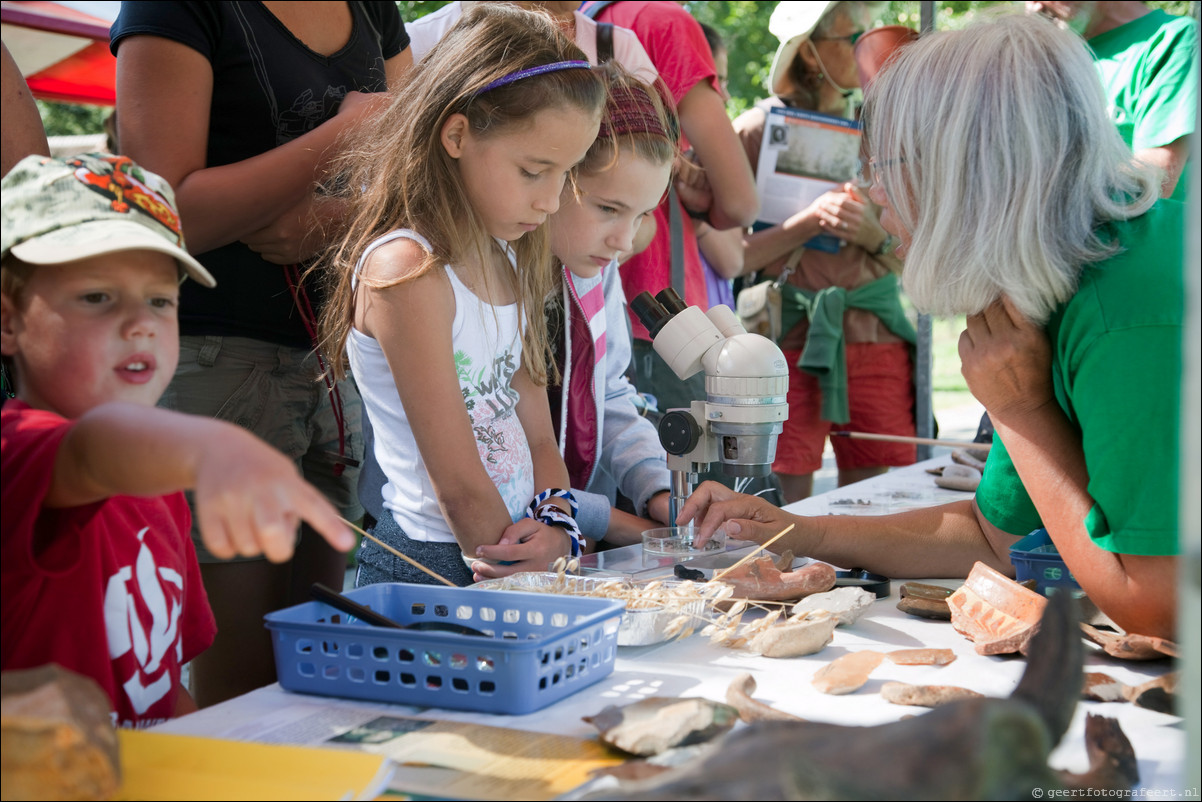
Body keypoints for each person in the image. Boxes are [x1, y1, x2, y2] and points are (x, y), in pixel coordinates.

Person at [680, 13, 1181, 641]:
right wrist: (796, 532)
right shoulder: (1058, 282)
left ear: (966, 168)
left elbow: (1156, 605)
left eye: (887, 161)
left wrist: (1021, 411)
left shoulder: (1128, 307)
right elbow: (989, 536)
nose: (872, 189)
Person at [109, 0, 409, 706]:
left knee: (317, 671)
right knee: (241, 689)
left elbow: (420, 170)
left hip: (335, 366)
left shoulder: (372, 8)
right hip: (218, 365)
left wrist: (333, 221)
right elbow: (165, 210)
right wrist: (340, 137)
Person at [0, 154, 355, 727]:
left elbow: (159, 687)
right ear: (8, 320)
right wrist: (211, 448)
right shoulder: (18, 452)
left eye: (160, 300)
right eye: (97, 296)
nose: (140, 322)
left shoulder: (163, 488)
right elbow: (92, 449)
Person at [318, 4, 605, 586]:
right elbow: (458, 486)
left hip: (513, 547)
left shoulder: (511, 255)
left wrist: (558, 521)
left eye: (566, 175)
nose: (552, 201)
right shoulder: (406, 272)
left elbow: (539, 431)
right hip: (438, 566)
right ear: (456, 134)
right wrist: (531, 579)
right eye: (533, 170)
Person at [732, 1, 916, 504]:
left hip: (875, 336)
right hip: (788, 338)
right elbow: (729, 260)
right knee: (785, 492)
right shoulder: (753, 132)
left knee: (882, 494)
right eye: (849, 37)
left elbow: (924, 263)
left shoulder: (889, 132)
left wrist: (870, 235)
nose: (864, 48)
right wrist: (809, 222)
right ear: (809, 55)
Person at [582, 1, 759, 414]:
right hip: (661, 313)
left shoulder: (589, 24)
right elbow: (740, 203)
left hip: (589, 311)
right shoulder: (664, 23)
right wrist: (700, 198)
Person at [538, 69, 678, 552]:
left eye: (641, 215)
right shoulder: (490, 281)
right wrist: (601, 518)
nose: (624, 240)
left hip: (568, 533)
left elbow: (608, 391)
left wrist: (658, 488)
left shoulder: (596, 267)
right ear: (554, 175)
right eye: (608, 209)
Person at [1027, 1, 1198, 201]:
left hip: (1131, 231)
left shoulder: (1174, 39)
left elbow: (1151, 182)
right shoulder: (1049, 57)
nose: (1033, 8)